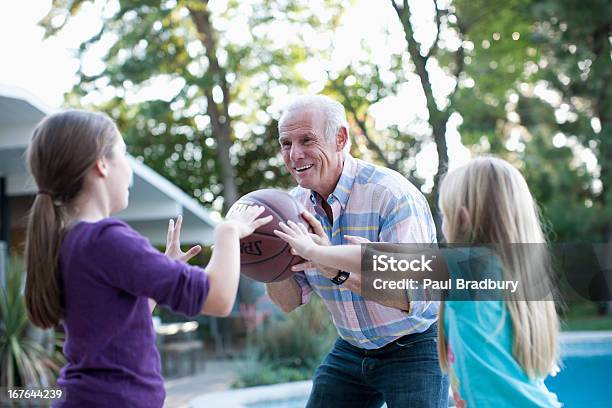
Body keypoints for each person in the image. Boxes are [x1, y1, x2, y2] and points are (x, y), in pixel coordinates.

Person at [23, 110, 271, 407]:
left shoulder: (69, 240)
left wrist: (162, 271)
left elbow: (113, 319)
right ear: (101, 164)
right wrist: (229, 232)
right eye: (124, 155)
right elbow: (217, 299)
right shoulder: (106, 239)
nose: (129, 170)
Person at [274, 156, 562, 407]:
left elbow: (381, 260)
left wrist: (315, 250)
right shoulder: (513, 273)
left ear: (461, 219)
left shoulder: (469, 270)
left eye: (444, 214)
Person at [266, 95, 448, 407]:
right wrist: (266, 261)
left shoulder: (391, 195)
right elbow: (289, 301)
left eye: (307, 140)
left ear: (340, 138)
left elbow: (415, 296)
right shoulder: (290, 209)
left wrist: (333, 268)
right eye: (286, 143)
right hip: (352, 347)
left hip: (416, 344)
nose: (295, 154)